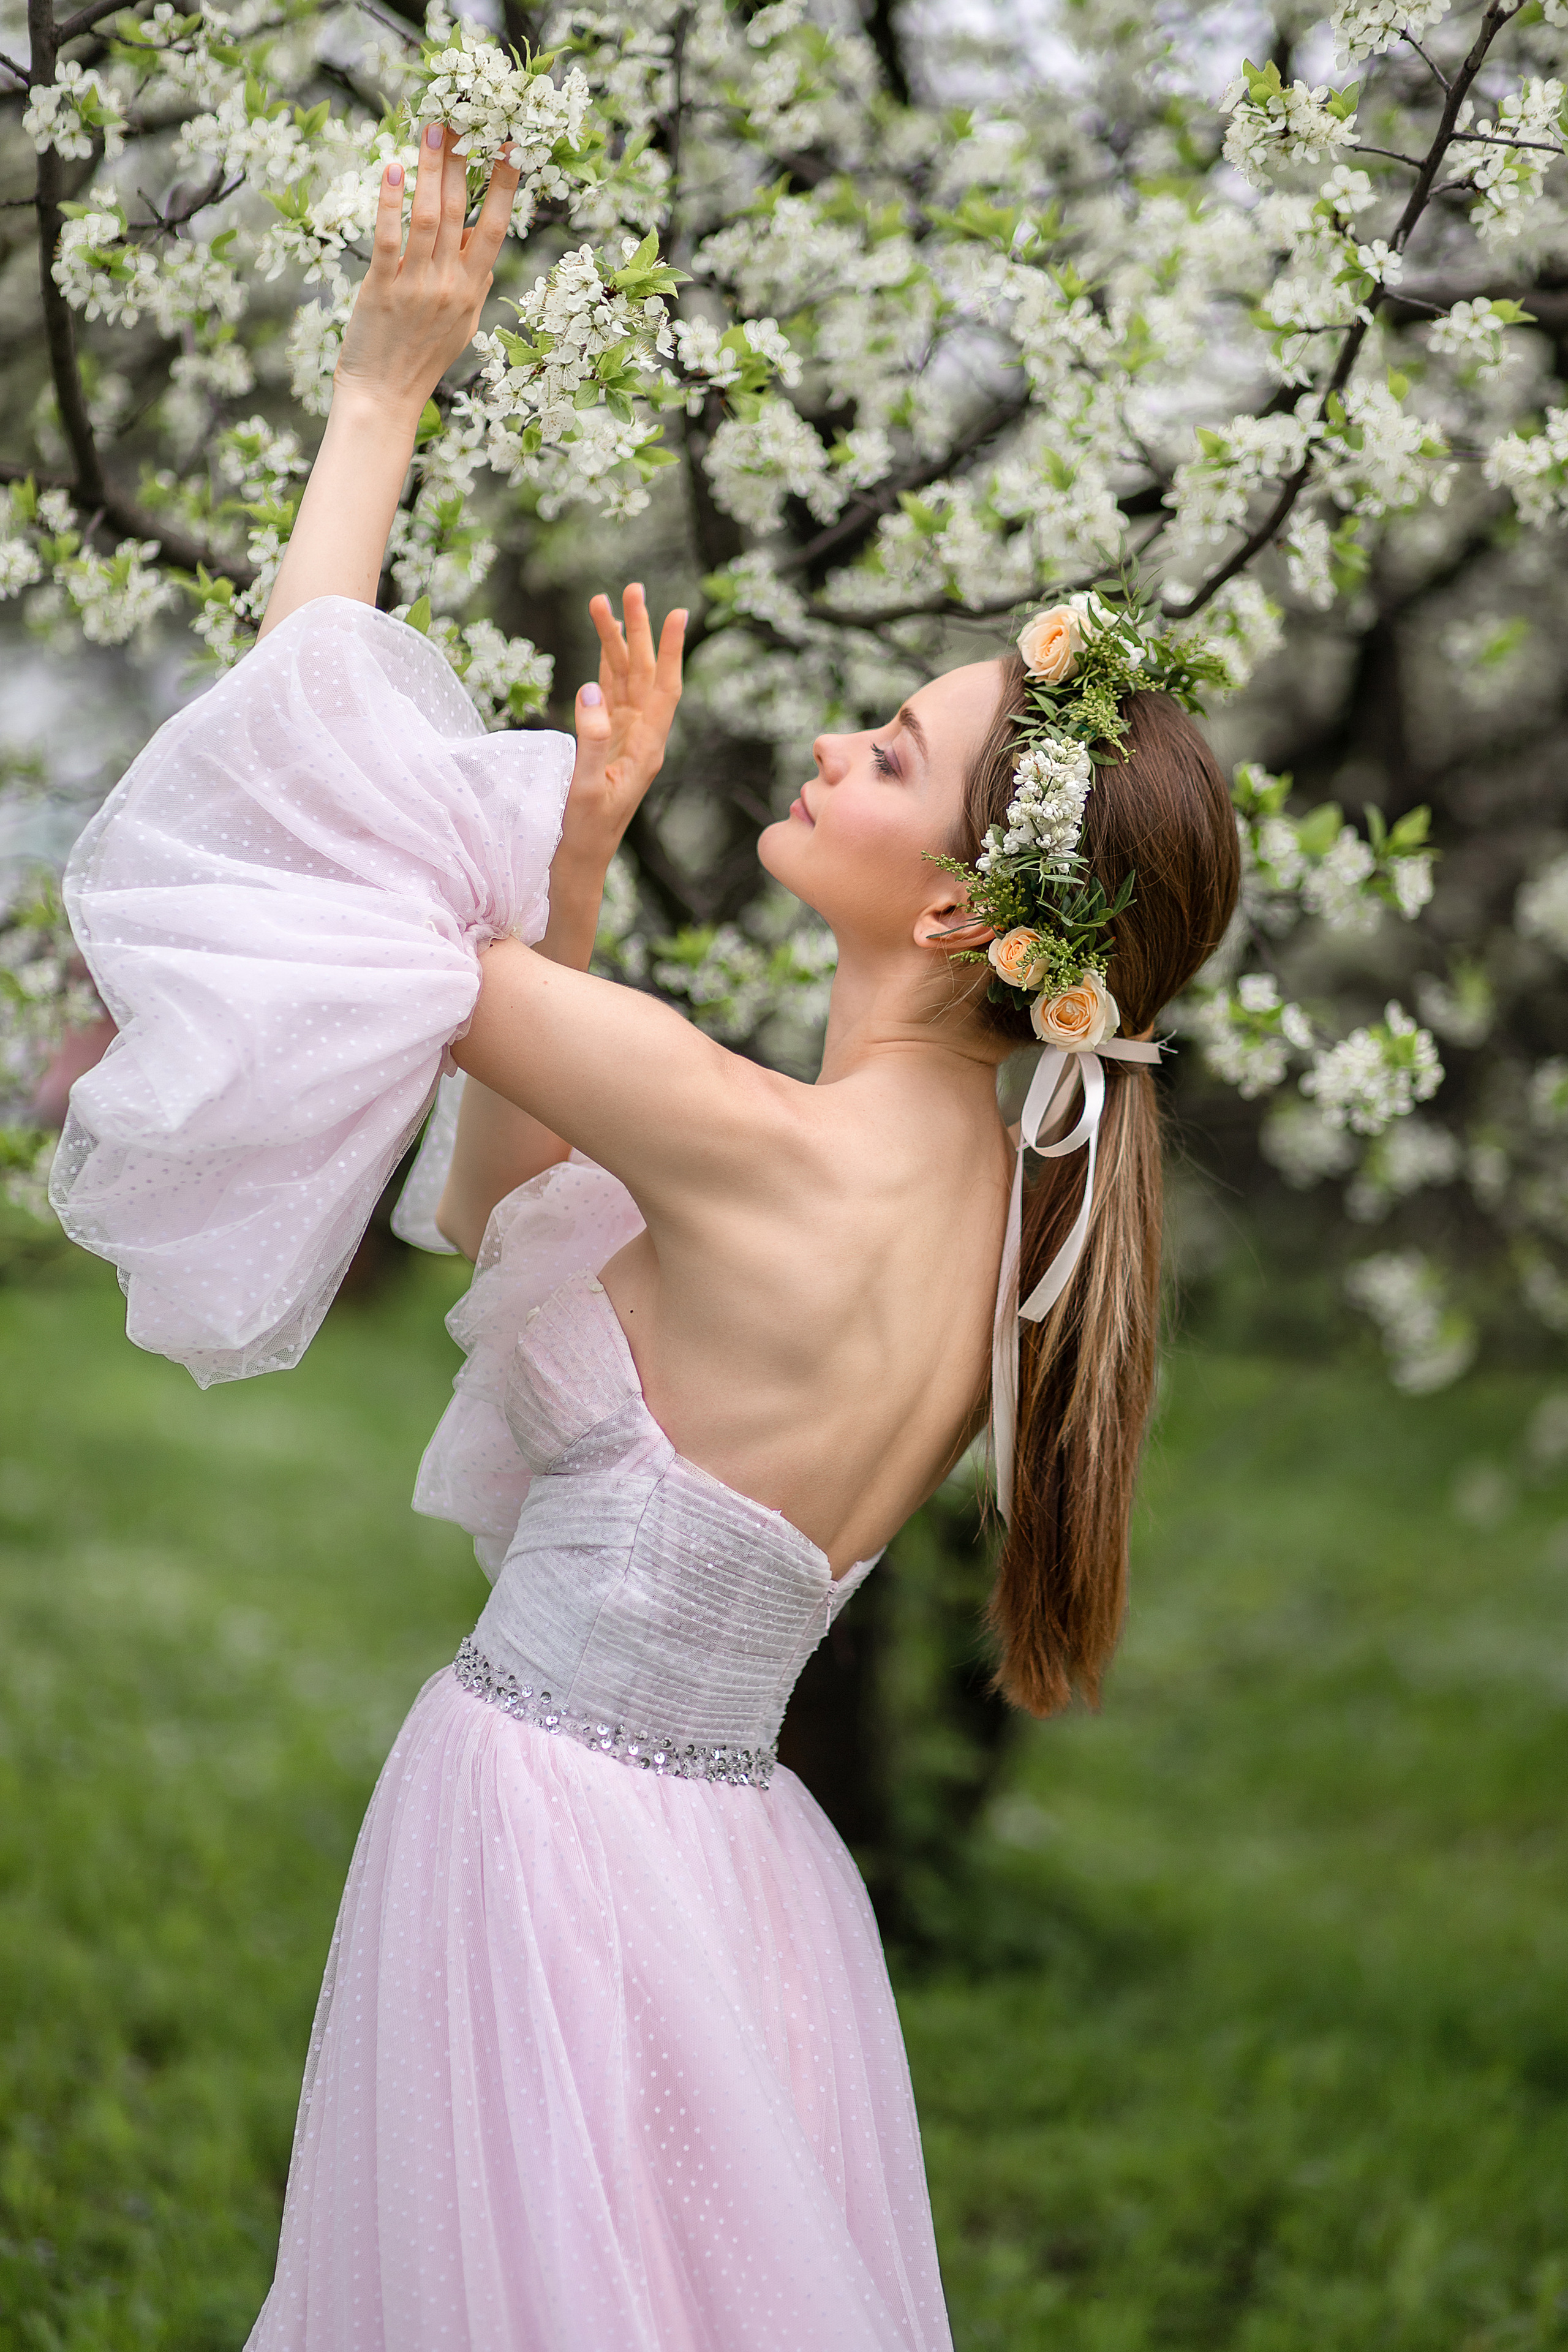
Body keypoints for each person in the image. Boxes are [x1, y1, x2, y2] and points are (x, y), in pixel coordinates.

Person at [51, 128, 1241, 2351]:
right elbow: (508, 1211)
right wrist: (576, 873)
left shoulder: (765, 1145)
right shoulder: (997, 1210)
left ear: (965, 914)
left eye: (893, 756)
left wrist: (381, 394)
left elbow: (308, 828)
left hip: (548, 1836)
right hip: (731, 1861)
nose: (835, 744)